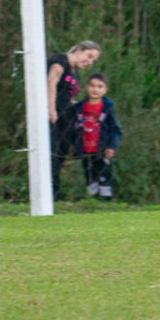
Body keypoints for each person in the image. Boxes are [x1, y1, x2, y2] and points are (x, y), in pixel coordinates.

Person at [46, 40, 100, 201]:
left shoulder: (74, 70)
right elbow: (51, 82)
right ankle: (51, 195)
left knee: (62, 154)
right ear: (79, 49)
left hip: (66, 117)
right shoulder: (60, 62)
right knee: (53, 154)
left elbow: (66, 96)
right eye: (88, 56)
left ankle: (56, 193)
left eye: (93, 60)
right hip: (54, 116)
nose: (89, 62)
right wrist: (51, 110)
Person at [73, 73, 122, 200]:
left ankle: (107, 204)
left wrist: (111, 147)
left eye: (100, 86)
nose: (95, 89)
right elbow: (74, 127)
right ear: (87, 87)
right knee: (89, 178)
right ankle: (92, 204)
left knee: (104, 177)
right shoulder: (79, 107)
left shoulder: (108, 107)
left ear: (105, 90)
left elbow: (115, 129)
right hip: (85, 150)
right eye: (93, 86)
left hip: (102, 150)